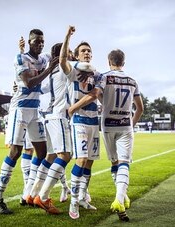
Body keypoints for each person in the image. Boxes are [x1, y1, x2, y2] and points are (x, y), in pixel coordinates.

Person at [68, 49, 144, 222]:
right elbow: (140, 108)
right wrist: (131, 125)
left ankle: (120, 200)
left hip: (108, 125)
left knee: (114, 162)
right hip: (125, 126)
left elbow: (96, 93)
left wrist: (73, 107)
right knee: (124, 163)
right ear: (123, 62)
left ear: (109, 61)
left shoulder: (104, 77)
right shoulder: (133, 81)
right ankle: (120, 197)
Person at [0, 28, 58, 214]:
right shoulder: (20, 59)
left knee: (43, 152)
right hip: (19, 109)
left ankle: (28, 193)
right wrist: (50, 69)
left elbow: (57, 56)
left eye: (42, 41)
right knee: (15, 151)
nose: (40, 44)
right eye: (36, 41)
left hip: (35, 110)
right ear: (29, 42)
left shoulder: (44, 58)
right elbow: (29, 82)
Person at [60, 25, 100, 219]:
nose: (87, 53)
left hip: (94, 122)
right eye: (83, 50)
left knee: (90, 162)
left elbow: (97, 94)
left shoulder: (96, 74)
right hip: (79, 122)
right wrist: (67, 36)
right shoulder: (73, 71)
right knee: (81, 159)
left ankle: (83, 196)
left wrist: (74, 106)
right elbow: (62, 61)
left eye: (89, 51)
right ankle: (74, 202)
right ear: (76, 55)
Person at [27, 43, 72, 214]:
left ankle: (33, 194)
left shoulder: (52, 73)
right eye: (69, 52)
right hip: (59, 116)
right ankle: (43, 197)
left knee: (51, 156)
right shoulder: (64, 68)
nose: (72, 55)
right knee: (65, 156)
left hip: (49, 117)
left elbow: (40, 88)